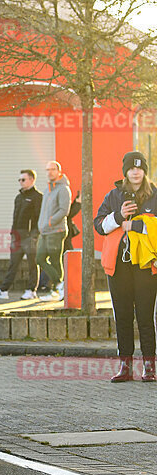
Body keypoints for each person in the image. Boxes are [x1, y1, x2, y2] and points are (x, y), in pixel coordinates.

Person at [94, 151, 157, 382]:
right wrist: (119, 216)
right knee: (122, 315)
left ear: (145, 171)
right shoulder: (113, 196)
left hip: (145, 266)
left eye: (140, 168)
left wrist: (140, 226)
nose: (136, 172)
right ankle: (125, 366)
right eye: (131, 168)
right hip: (119, 266)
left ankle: (149, 366)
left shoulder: (154, 195)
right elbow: (99, 225)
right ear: (125, 171)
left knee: (145, 316)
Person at [0, 169, 43, 300]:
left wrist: (34, 235)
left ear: (32, 180)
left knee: (32, 264)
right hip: (17, 236)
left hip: (30, 237)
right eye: (19, 180)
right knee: (13, 264)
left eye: (23, 179)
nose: (21, 182)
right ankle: (4, 290)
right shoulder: (19, 197)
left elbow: (38, 217)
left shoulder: (38, 197)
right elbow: (15, 217)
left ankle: (31, 290)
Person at [36, 160, 71, 301]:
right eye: (47, 170)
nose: (50, 172)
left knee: (55, 261)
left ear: (59, 172)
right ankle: (59, 286)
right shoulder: (47, 190)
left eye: (53, 169)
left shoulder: (63, 189)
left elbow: (64, 210)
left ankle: (60, 287)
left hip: (56, 230)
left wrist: (50, 222)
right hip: (45, 231)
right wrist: (41, 224)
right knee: (40, 258)